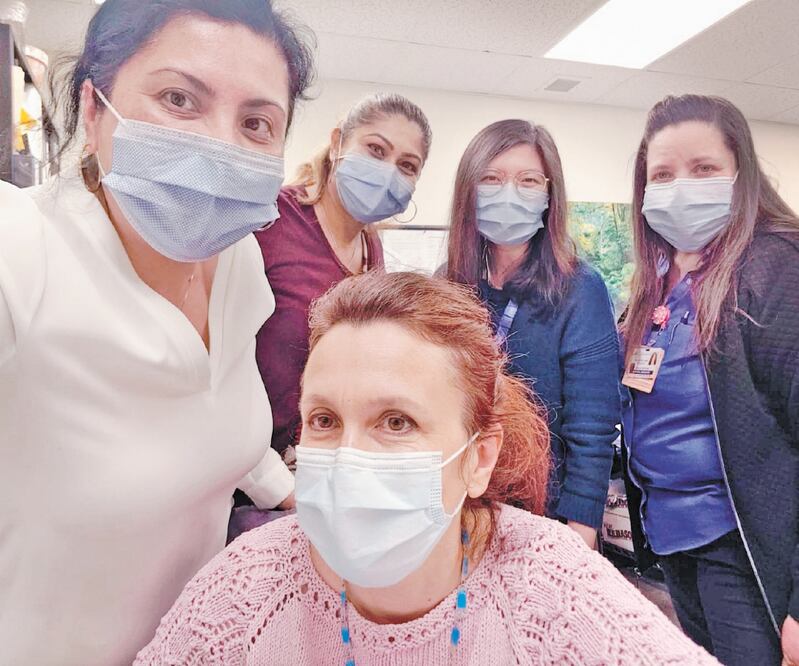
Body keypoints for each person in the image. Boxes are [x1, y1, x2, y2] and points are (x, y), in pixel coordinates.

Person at [136, 271, 718, 665]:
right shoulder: (245, 589)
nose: (348, 458)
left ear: (478, 460)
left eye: (396, 422)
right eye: (324, 420)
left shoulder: (555, 592)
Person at [0, 1, 313, 663]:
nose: (220, 146)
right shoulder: (19, 249)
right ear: (92, 109)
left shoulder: (238, 262)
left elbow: (210, 408)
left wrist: (289, 493)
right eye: (179, 98)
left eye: (257, 122)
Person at [620, 94, 799, 666]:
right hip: (673, 541)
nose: (681, 188)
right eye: (664, 174)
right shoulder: (658, 283)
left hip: (744, 549)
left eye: (704, 170)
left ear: (739, 176)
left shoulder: (771, 267)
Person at [444, 119, 620, 548]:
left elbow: (593, 426)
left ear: (548, 195)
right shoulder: (448, 285)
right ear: (469, 190)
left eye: (528, 181)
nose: (509, 193)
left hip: (542, 511)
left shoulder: (579, 288)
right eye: (491, 178)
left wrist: (581, 528)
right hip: (456, 505)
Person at [252, 93, 431, 465]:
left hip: (312, 457)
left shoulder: (371, 251)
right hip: (243, 459)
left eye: (407, 165)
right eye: (376, 151)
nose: (388, 172)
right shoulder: (270, 220)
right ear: (337, 144)